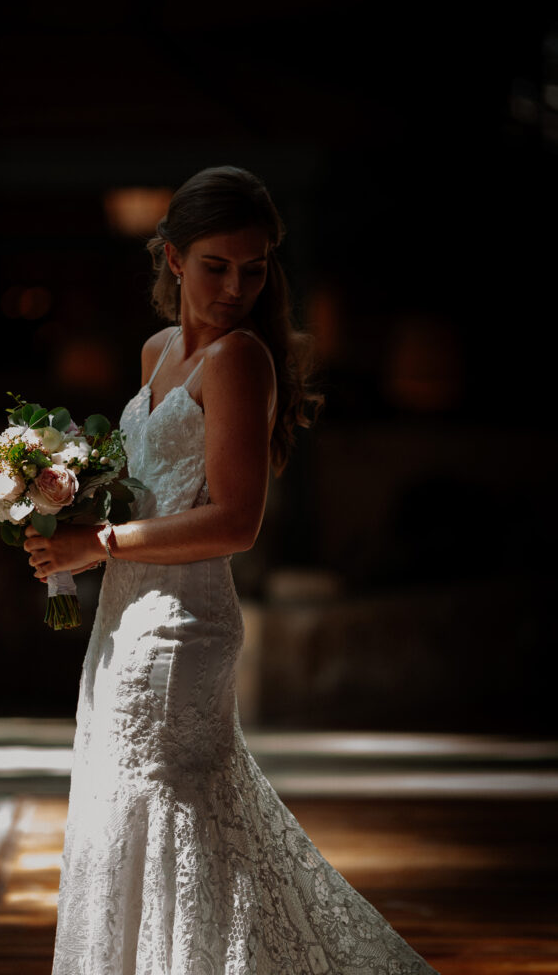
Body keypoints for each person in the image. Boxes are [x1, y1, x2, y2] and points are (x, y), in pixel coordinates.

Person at [24, 166, 440, 974]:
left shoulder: (241, 359)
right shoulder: (156, 352)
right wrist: (62, 505)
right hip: (121, 618)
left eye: (254, 268)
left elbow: (235, 522)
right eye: (217, 265)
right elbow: (152, 491)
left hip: (181, 630)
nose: (237, 285)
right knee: (128, 816)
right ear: (174, 259)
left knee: (170, 820)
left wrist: (96, 545)